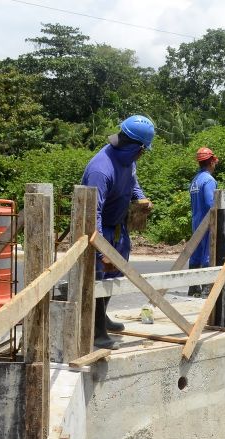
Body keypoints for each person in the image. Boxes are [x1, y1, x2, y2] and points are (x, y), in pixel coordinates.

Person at [81, 115, 155, 349]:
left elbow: (133, 183)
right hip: (96, 232)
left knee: (113, 276)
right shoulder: (100, 170)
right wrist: (102, 250)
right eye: (143, 150)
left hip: (117, 228)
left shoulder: (128, 160)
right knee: (97, 277)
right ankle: (96, 332)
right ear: (136, 146)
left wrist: (140, 198)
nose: (143, 155)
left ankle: (102, 317)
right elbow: (94, 213)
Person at [188, 147, 219, 297]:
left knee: (196, 254)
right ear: (211, 162)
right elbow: (210, 203)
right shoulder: (209, 180)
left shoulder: (195, 180)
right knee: (208, 253)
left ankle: (193, 287)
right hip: (207, 222)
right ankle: (207, 288)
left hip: (196, 221)